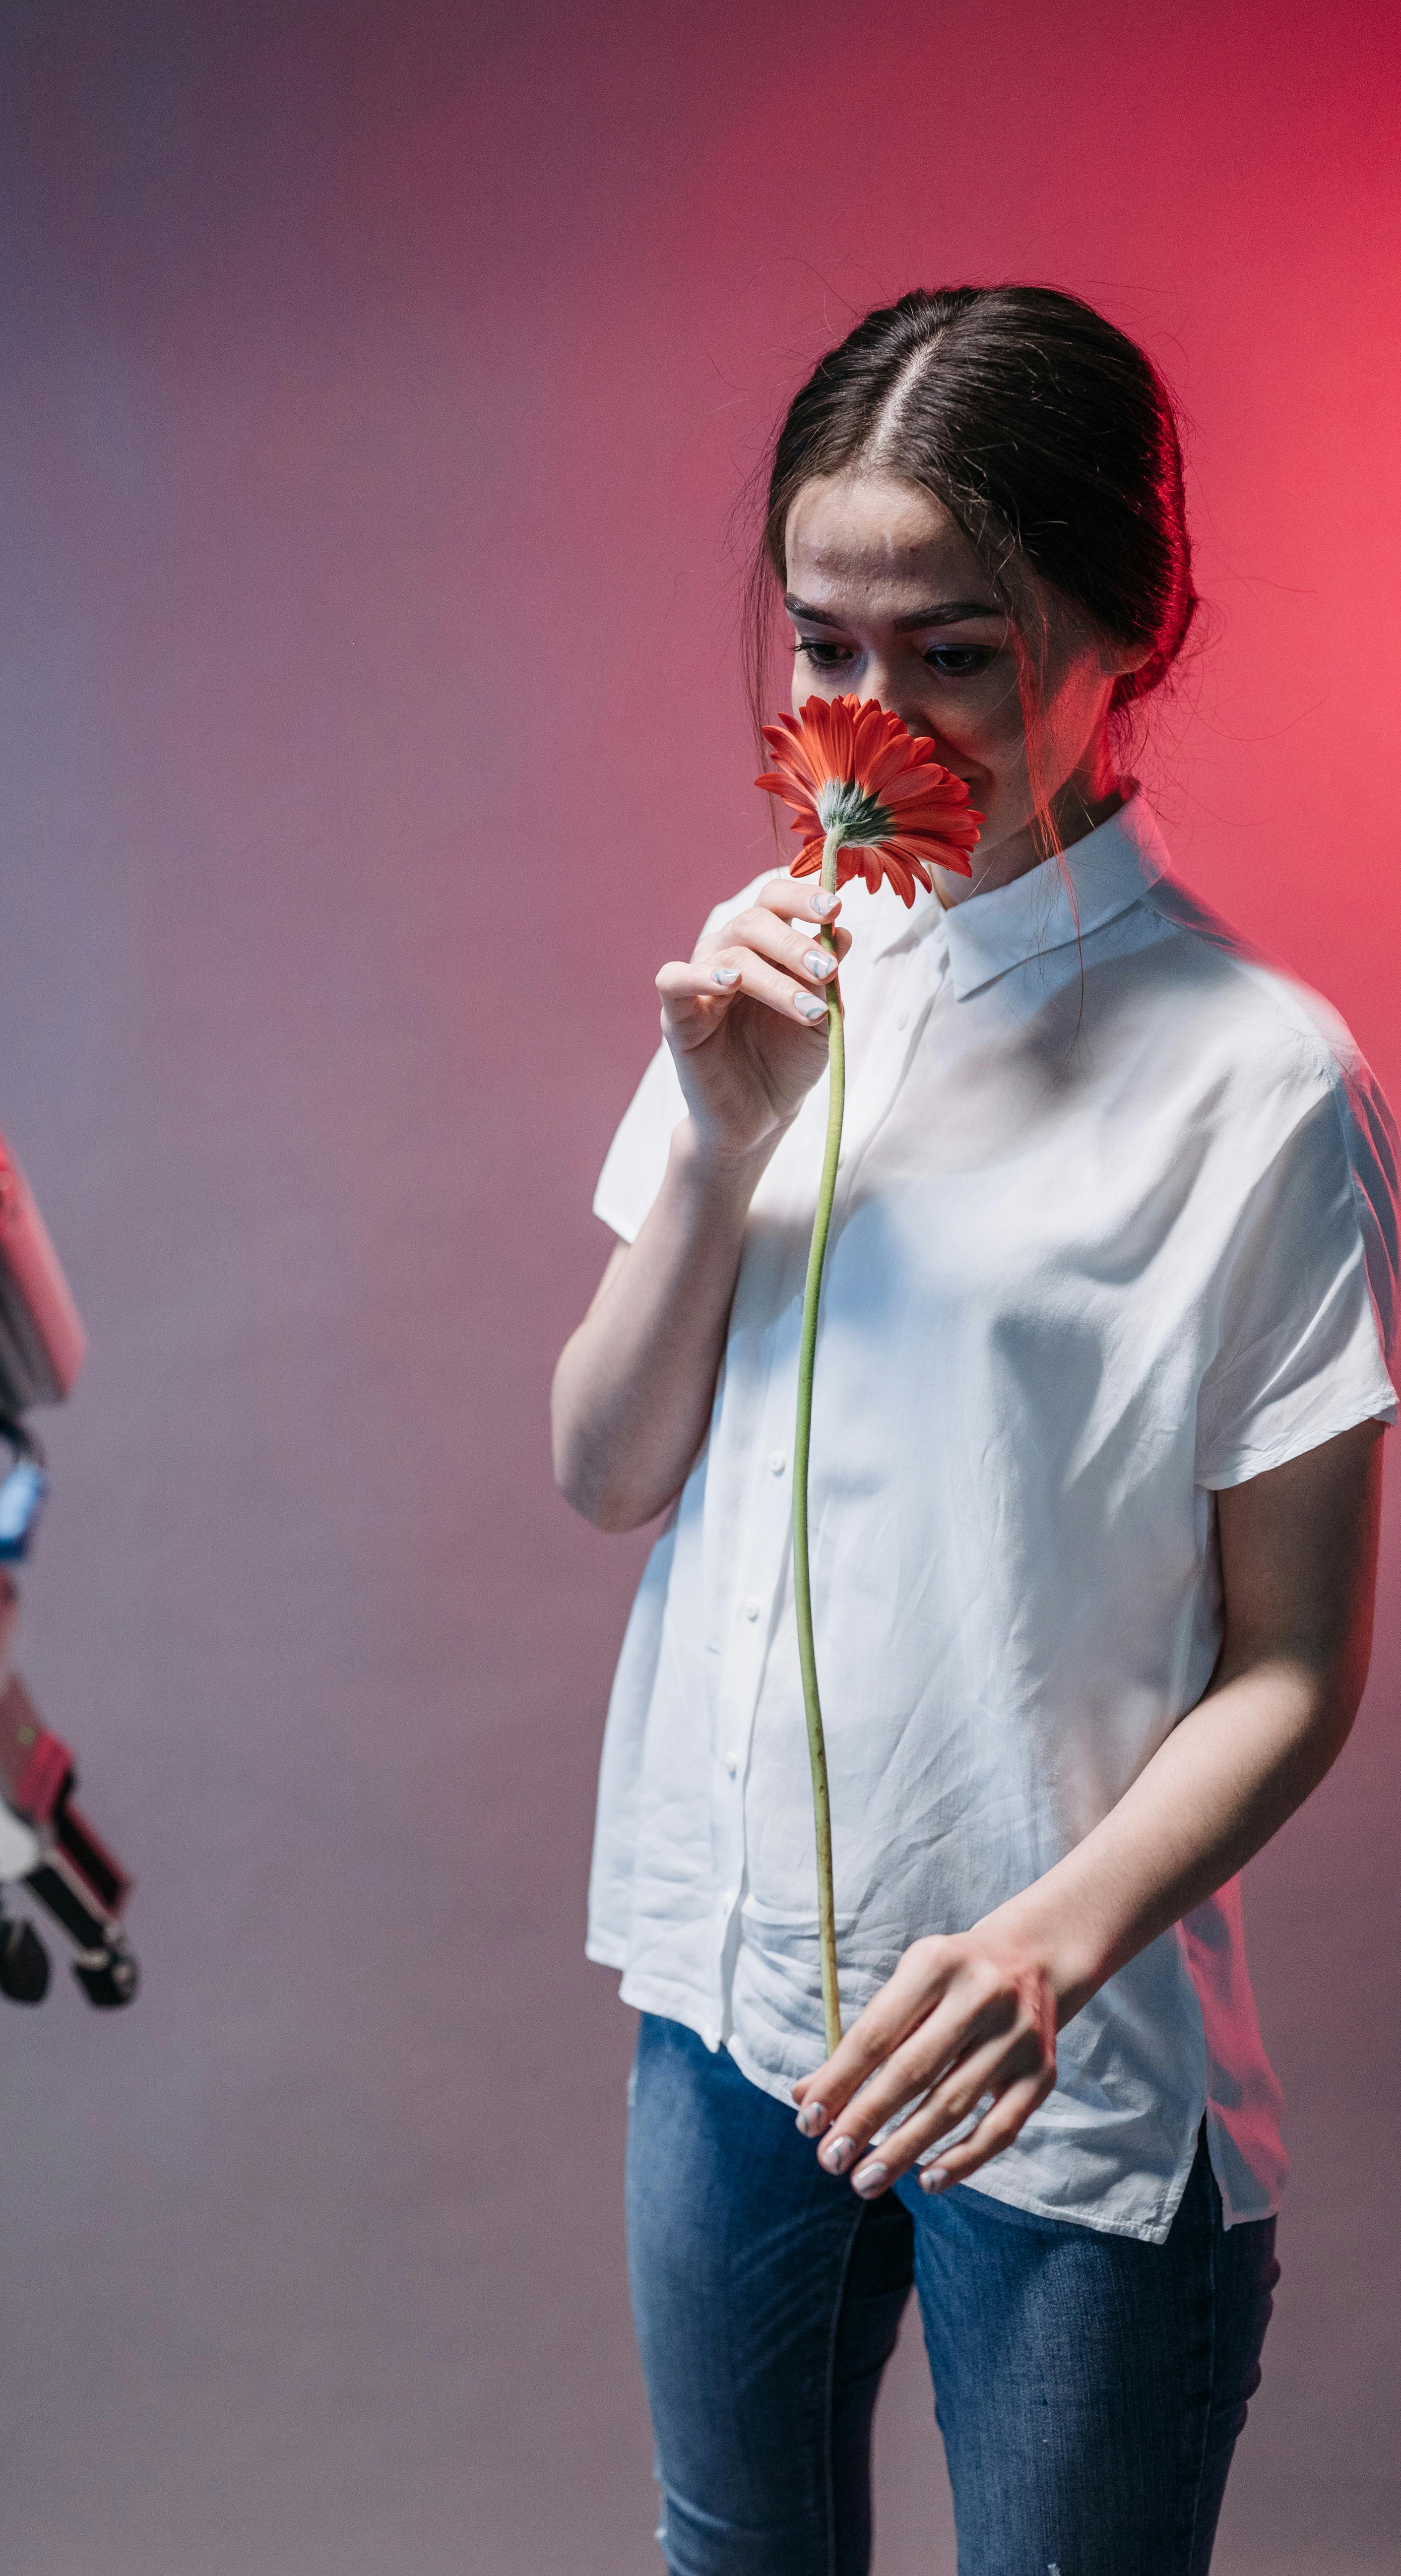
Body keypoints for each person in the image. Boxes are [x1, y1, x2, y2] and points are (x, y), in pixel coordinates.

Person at [551, 285, 1400, 2576]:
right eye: (825, 646)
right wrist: (727, 1136)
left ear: (1141, 624)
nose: (868, 723)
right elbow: (606, 1465)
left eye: (955, 650)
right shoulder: (770, 969)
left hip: (1056, 2046)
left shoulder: (1264, 1079)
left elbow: (1300, 1662)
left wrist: (1047, 1941)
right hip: (726, 2012)